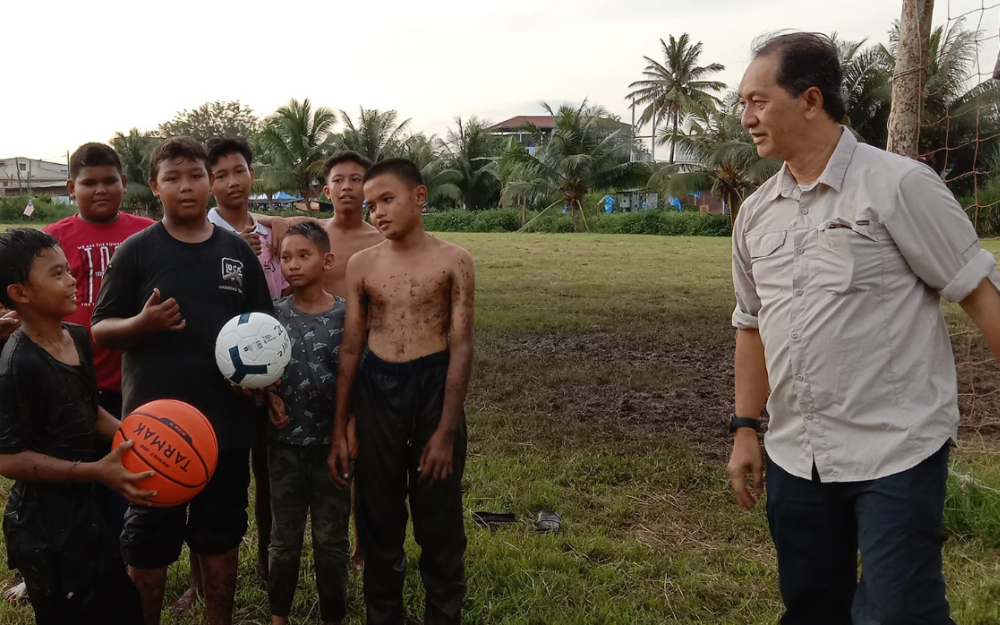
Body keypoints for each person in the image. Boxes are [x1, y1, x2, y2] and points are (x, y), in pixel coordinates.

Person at [727, 32, 1000, 625]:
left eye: (758, 101)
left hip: (895, 451)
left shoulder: (899, 185)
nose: (745, 118)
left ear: (811, 100)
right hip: (797, 455)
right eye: (741, 103)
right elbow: (752, 325)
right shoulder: (754, 214)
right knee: (811, 608)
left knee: (900, 613)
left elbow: (980, 294)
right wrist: (746, 428)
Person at [91, 137, 274, 625]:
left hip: (226, 430)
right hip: (153, 433)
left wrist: (258, 380)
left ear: (210, 182)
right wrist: (140, 325)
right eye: (173, 177)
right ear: (155, 186)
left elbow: (264, 331)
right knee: (147, 548)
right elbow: (101, 329)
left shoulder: (236, 252)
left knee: (221, 539)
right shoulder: (137, 251)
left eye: (196, 175)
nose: (187, 186)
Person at [329, 158, 474, 625]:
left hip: (434, 388)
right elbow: (351, 348)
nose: (377, 213)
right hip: (378, 389)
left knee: (440, 518)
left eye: (386, 200)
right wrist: (341, 427)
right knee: (378, 517)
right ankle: (384, 615)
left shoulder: (454, 260)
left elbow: (462, 346)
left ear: (420, 196)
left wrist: (446, 432)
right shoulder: (362, 265)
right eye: (372, 206)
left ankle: (442, 614)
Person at [0, 227, 155, 624]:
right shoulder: (18, 363)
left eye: (69, 270)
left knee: (121, 606)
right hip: (43, 528)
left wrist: (133, 435)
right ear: (20, 293)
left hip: (87, 512)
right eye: (56, 274)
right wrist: (95, 471)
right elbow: (9, 459)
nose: (73, 280)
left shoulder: (78, 336)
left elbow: (90, 408)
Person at [260, 150, 382, 568]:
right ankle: (276, 555)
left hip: (365, 354)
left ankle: (362, 548)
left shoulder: (381, 237)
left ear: (368, 189)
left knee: (357, 459)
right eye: (338, 180)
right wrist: (275, 223)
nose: (347, 187)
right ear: (324, 189)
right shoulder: (305, 231)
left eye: (356, 179)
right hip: (308, 361)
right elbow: (252, 222)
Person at [206, 136, 289, 590]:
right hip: (223, 379)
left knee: (270, 476)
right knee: (213, 478)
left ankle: (267, 565)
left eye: (239, 170)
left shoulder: (272, 230)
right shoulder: (203, 233)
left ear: (252, 174)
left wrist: (279, 221)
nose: (232, 182)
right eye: (219, 175)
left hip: (274, 372)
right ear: (208, 182)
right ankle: (203, 580)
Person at [268, 221, 350, 625]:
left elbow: (358, 382)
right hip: (284, 446)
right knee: (284, 540)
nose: (294, 265)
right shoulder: (270, 317)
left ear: (327, 260)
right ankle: (278, 614)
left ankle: (333, 615)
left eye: (304, 255)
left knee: (331, 541)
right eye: (285, 257)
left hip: (332, 448)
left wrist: (350, 435)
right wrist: (266, 397)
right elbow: (256, 375)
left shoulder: (346, 316)